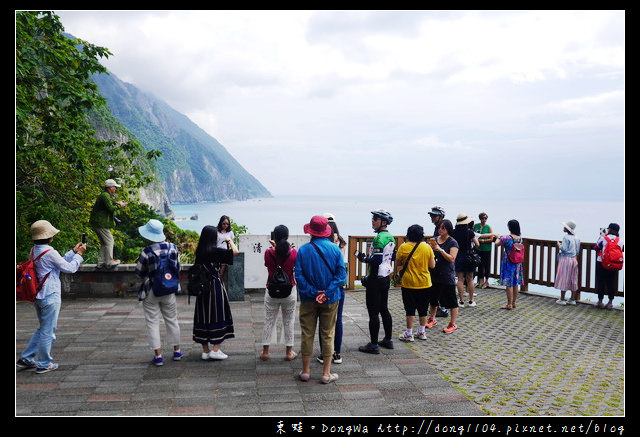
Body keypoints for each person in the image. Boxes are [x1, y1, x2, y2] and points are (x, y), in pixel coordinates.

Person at [16, 220, 86, 374]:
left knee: (43, 328)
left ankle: (27, 357)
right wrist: (79, 256)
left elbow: (57, 263)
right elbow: (69, 268)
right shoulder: (50, 252)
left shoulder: (34, 250)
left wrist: (73, 252)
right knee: (48, 331)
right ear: (49, 237)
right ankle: (44, 363)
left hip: (38, 295)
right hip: (50, 295)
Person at [295, 216, 346, 384]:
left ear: (311, 232)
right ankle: (326, 373)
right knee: (327, 333)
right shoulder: (335, 249)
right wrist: (327, 292)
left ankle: (305, 371)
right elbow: (341, 275)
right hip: (330, 299)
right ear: (326, 232)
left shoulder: (303, 250)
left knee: (307, 333)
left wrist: (313, 291)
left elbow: (299, 276)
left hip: (308, 299)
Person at [135, 219, 183, 366]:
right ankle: (177, 351)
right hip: (169, 290)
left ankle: (158, 355)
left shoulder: (146, 252)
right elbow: (178, 268)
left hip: (151, 290)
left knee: (152, 322)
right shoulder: (173, 248)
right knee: (172, 319)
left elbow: (139, 272)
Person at [192, 225, 239, 360]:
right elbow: (235, 252)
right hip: (215, 286)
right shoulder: (215, 251)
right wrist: (229, 240)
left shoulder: (199, 251)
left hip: (202, 289)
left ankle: (205, 351)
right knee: (218, 315)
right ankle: (216, 349)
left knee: (203, 316)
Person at [356, 209, 395, 354]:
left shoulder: (379, 238)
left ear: (383, 222)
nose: (373, 221)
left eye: (376, 219)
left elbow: (377, 260)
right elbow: (391, 258)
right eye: (373, 218)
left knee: (373, 312)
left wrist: (365, 259)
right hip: (385, 277)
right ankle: (388, 340)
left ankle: (373, 345)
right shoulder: (390, 237)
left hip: (375, 278)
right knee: (384, 308)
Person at [261, 225, 298, 362]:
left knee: (269, 320)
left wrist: (274, 247)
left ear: (274, 237)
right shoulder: (294, 253)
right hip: (289, 291)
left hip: (271, 290)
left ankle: (265, 352)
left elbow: (267, 264)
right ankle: (289, 352)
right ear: (287, 236)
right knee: (289, 321)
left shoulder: (268, 252)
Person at [316, 213, 347, 365]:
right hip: (339, 285)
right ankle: (337, 353)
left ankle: (324, 354)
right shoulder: (341, 242)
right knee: (338, 319)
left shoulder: (322, 243)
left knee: (324, 321)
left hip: (323, 286)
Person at [396, 224, 435, 342]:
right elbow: (432, 265)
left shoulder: (403, 247)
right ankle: (422, 332)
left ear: (408, 235)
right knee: (423, 308)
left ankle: (409, 333)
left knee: (410, 309)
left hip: (409, 283)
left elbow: (398, 263)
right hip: (424, 282)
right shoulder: (427, 247)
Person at [426, 219, 460, 333]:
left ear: (448, 229)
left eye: (443, 228)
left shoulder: (453, 242)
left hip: (446, 274)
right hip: (434, 273)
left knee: (451, 301)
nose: (440, 230)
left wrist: (440, 250)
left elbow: (452, 258)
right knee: (433, 299)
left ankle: (453, 323)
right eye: (439, 228)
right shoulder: (435, 240)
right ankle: (432, 318)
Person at [89, 179, 127, 269]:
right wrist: (119, 205)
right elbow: (111, 208)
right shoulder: (105, 195)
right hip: (100, 223)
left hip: (98, 223)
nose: (115, 189)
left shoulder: (105, 195)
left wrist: (116, 203)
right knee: (110, 241)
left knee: (104, 243)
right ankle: (109, 262)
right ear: (110, 187)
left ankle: (101, 262)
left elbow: (108, 204)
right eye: (114, 187)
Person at [495, 219, 524, 310]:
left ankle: (509, 304)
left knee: (509, 283)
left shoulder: (506, 238)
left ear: (509, 227)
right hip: (517, 263)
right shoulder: (520, 238)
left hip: (508, 262)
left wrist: (498, 237)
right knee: (516, 283)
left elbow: (497, 244)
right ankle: (514, 302)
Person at [452, 214, 479, 307]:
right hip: (469, 256)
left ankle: (461, 301)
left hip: (458, 255)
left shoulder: (453, 232)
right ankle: (471, 301)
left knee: (460, 279)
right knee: (470, 279)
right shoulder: (470, 232)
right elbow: (477, 244)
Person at [594, 223, 623, 309]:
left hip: (602, 262)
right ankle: (610, 302)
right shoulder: (620, 240)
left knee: (601, 281)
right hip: (614, 263)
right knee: (611, 282)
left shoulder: (604, 238)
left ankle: (600, 301)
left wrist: (601, 236)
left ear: (609, 230)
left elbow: (596, 247)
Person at [428, 206, 449, 318]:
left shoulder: (441, 228)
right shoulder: (438, 227)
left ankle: (443, 308)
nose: (432, 217)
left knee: (441, 286)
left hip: (442, 260)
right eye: (431, 215)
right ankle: (440, 308)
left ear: (440, 216)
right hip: (438, 258)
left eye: (434, 215)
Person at [554, 220, 581, 305]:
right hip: (574, 259)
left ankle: (562, 299)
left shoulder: (566, 237)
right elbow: (577, 251)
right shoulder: (576, 238)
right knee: (573, 278)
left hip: (566, 259)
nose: (564, 227)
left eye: (565, 226)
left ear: (567, 229)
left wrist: (559, 245)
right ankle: (572, 299)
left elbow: (564, 249)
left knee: (564, 278)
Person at [474, 212, 494, 289]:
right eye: (483, 218)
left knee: (486, 264)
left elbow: (491, 238)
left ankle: (486, 281)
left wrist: (482, 241)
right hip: (478, 248)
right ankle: (480, 281)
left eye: (485, 218)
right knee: (479, 264)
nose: (484, 220)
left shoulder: (488, 227)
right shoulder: (476, 226)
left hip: (486, 248)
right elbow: (473, 235)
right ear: (480, 218)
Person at [216, 215, 235, 281]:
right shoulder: (217, 232)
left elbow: (232, 243)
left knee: (224, 264)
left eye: (227, 224)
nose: (225, 225)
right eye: (224, 223)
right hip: (218, 252)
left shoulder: (230, 233)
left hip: (226, 252)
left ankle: (220, 279)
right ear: (220, 223)